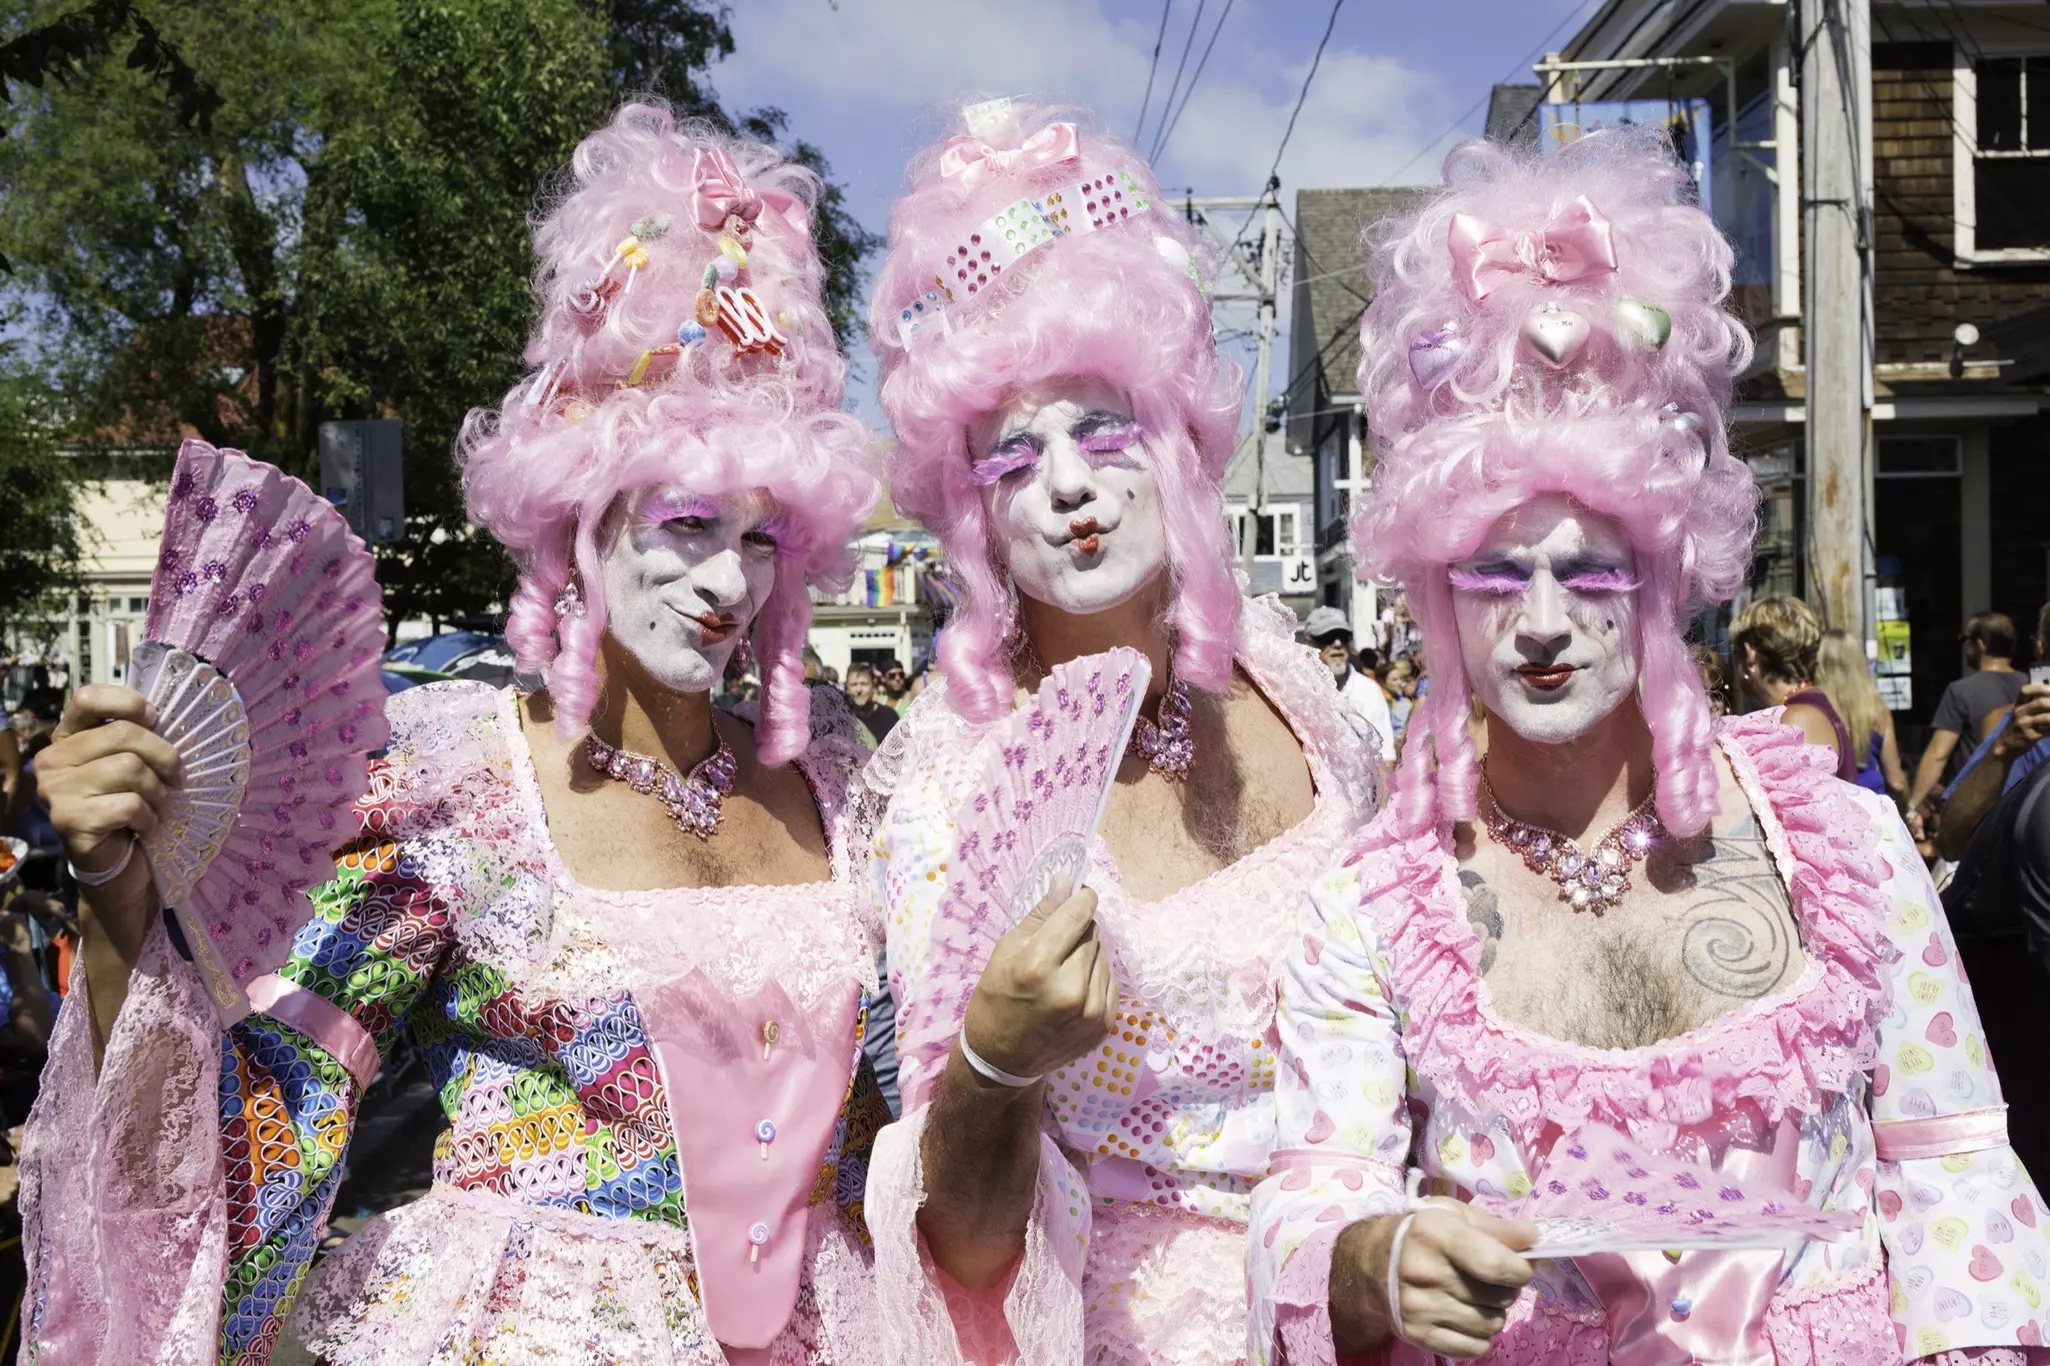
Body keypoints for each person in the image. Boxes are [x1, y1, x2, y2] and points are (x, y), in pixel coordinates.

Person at [19, 104, 893, 1363]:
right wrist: (118, 901)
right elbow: (268, 1121)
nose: (725, 584)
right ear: (581, 516)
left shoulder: (840, 779)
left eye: (761, 538)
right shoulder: (454, 783)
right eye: (691, 524)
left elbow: (899, 1116)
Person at [1247, 129, 2050, 1364]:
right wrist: (1369, 1257)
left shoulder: (1838, 842)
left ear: (1666, 577)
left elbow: (1955, 1175)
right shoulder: (1371, 906)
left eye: (1592, 571)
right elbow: (1311, 1191)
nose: (1546, 624)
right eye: (1497, 573)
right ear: (1437, 593)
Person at [860, 98, 1384, 1364]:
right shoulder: (953, 784)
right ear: (972, 511)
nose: (1071, 485)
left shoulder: (1297, 694)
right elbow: (967, 1248)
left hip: (1363, 1303)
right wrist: (994, 1064)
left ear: (1182, 440)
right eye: (1012, 455)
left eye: (1104, 428)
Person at [1909, 611, 2025, 822]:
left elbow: (1938, 753)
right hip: (2022, 800)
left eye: (1965, 639)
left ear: (1980, 645)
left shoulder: (1961, 691)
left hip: (1978, 804)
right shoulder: (2031, 687)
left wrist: (1913, 805)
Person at [1730, 594, 1856, 779]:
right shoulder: (1808, 705)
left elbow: (1807, 805)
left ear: (1750, 655)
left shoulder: (1799, 719)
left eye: (1735, 653)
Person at [1814, 627, 1909, 801]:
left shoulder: (1811, 707)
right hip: (1872, 806)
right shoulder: (1876, 707)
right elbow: (1896, 781)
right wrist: (1909, 809)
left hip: (1829, 806)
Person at [1303, 604, 1397, 762]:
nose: (1338, 643)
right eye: (1327, 637)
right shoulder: (1296, 690)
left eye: (1344, 636)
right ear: (1309, 644)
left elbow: (1385, 757)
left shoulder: (1368, 691)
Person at [843, 661, 899, 746]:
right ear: (847, 688)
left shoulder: (889, 717)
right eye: (854, 685)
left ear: (873, 685)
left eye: (864, 684)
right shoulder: (841, 718)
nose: (859, 690)